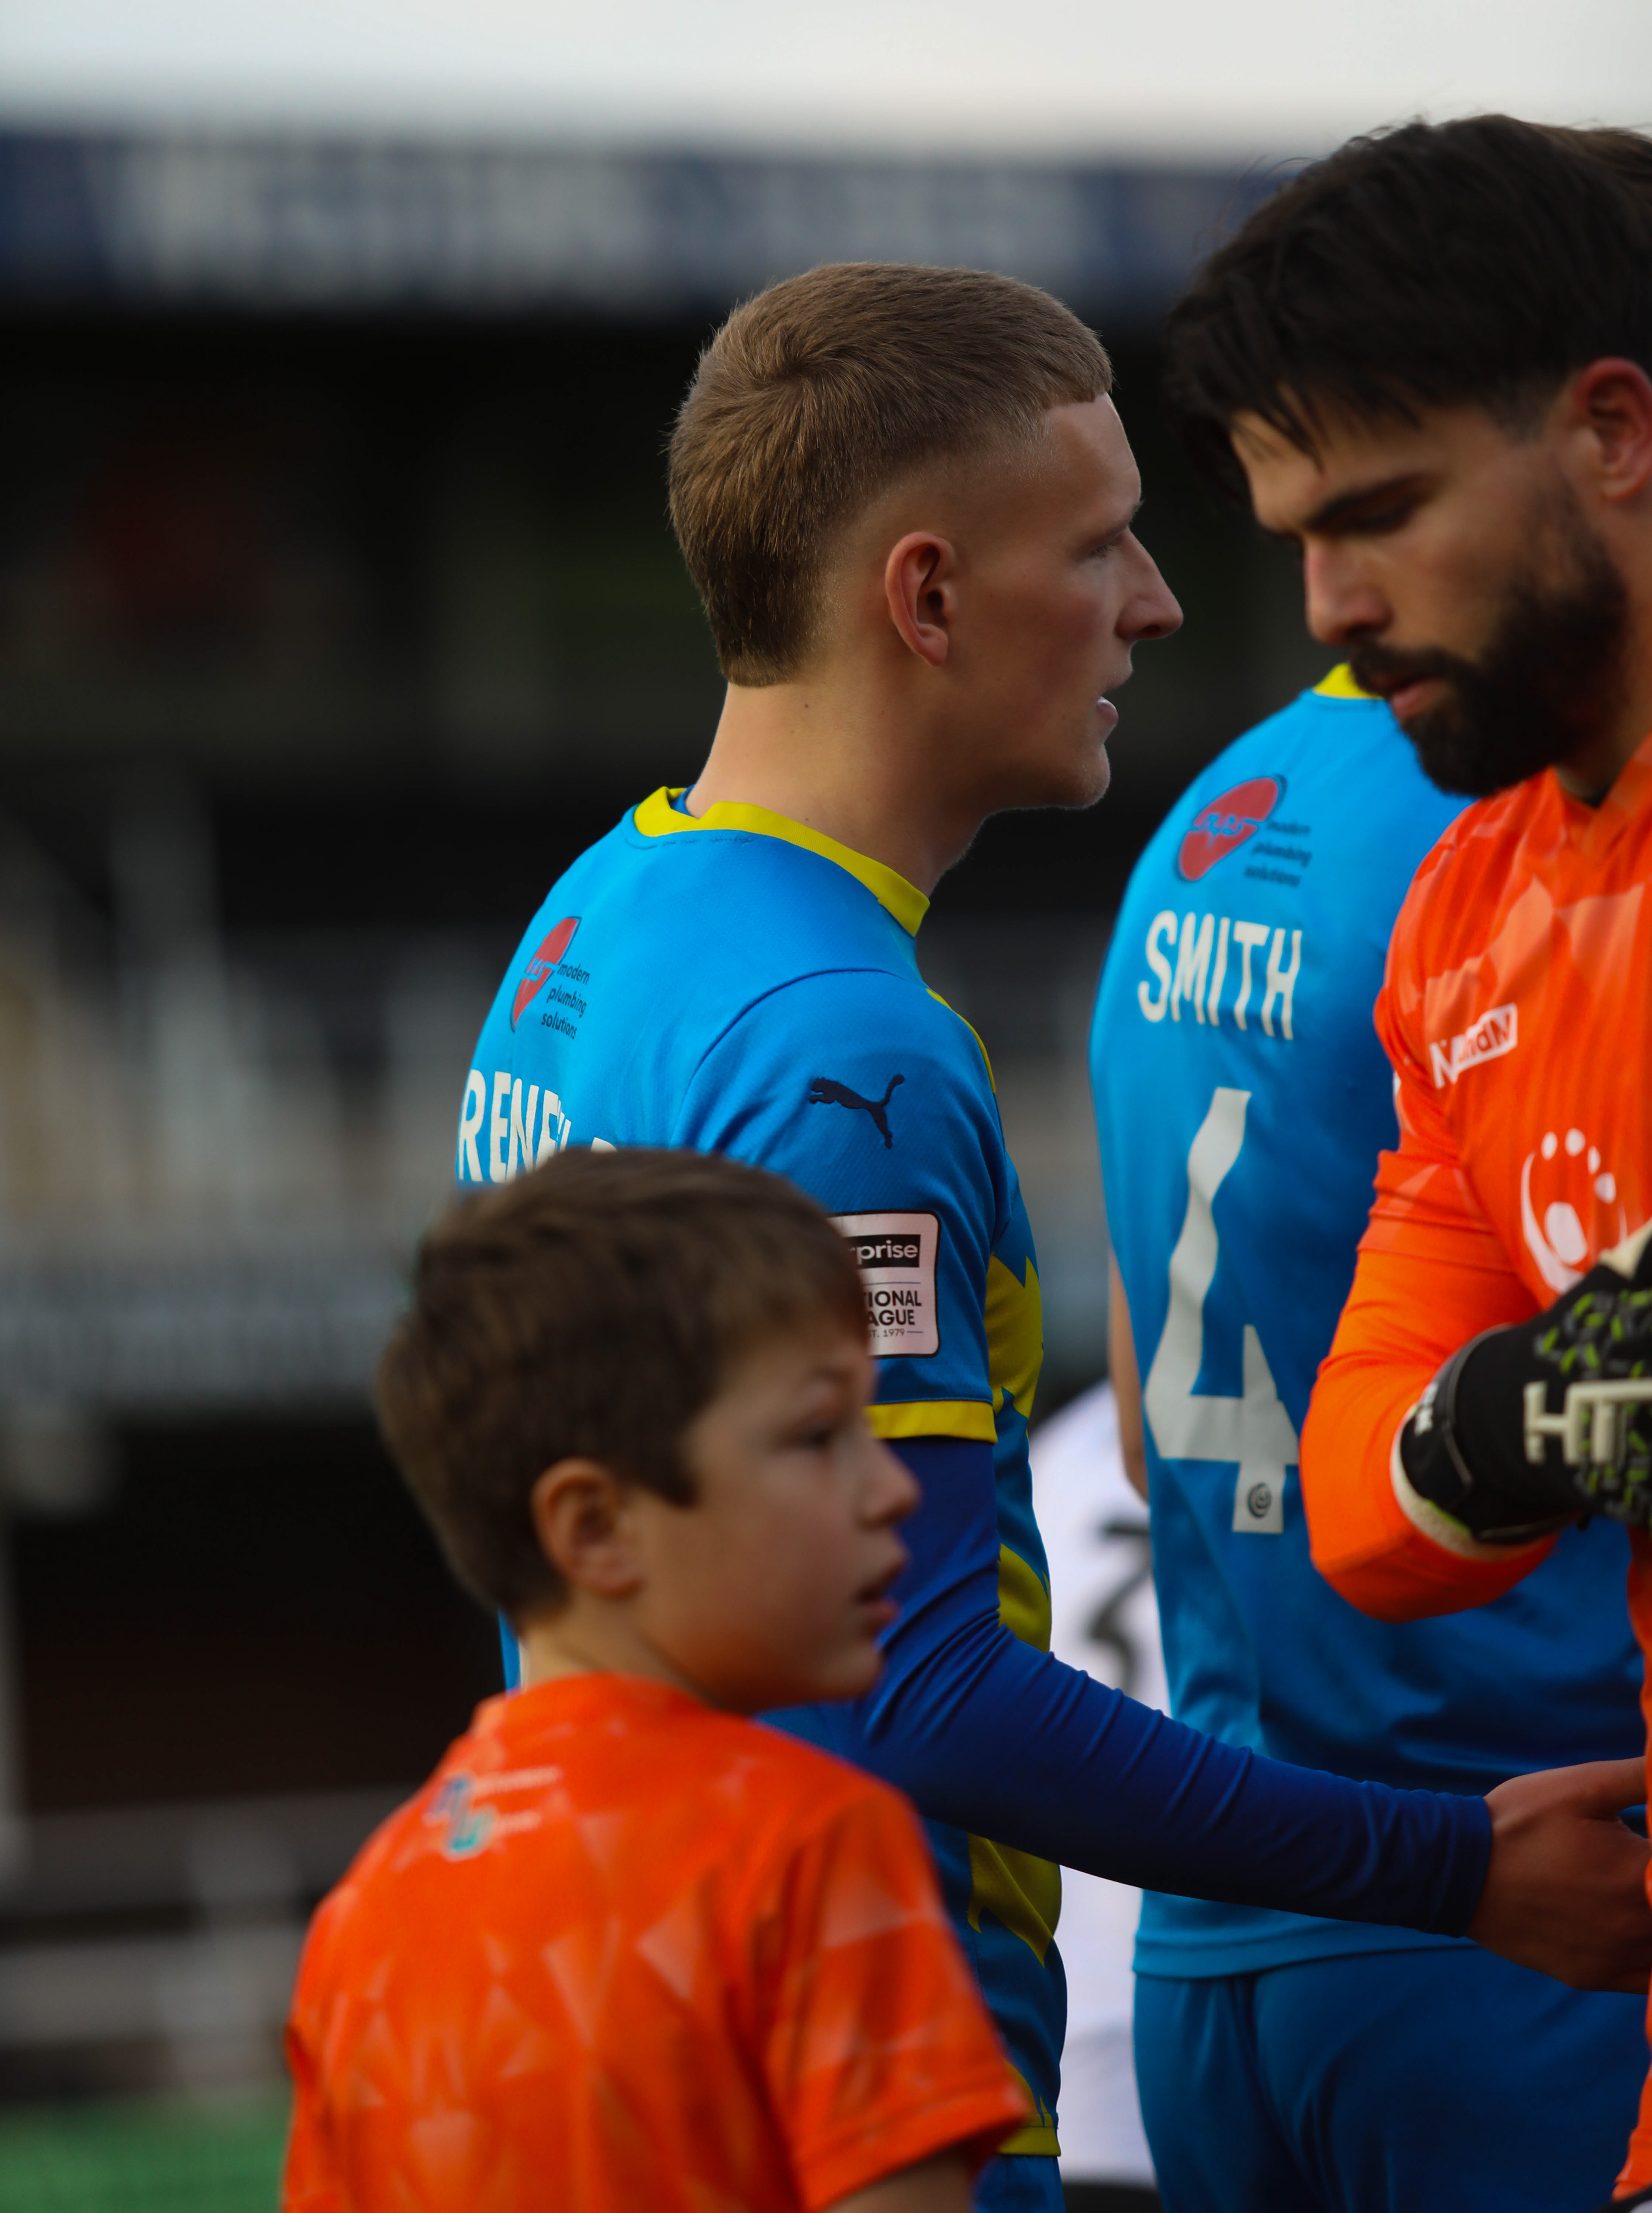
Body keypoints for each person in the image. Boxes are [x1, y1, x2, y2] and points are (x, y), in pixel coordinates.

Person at [458, 260, 1651, 2207]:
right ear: (927, 599)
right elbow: (916, 1687)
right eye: (1099, 548)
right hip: (866, 2084)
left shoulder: (593, 921)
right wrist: (1447, 1864)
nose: (1158, 603)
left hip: (638, 2017)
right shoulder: (847, 1047)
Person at [1159, 113, 1652, 2203]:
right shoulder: (1464, 910)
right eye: (1295, 536)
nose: (1332, 609)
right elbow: (1365, 1506)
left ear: (1612, 432)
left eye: (1381, 514)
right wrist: (1558, 1396)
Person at [1090, 661, 1647, 2212]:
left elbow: (1139, 1441)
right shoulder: (1524, 819)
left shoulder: (1202, 821)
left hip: (1223, 1941)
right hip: (1532, 1908)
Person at [283, 1148, 1030, 2213]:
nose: (894, 1489)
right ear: (595, 1527)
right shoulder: (811, 1847)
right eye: (819, 1435)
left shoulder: (362, 1921)